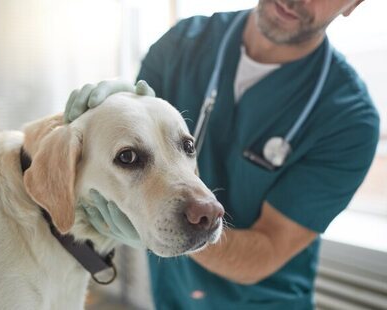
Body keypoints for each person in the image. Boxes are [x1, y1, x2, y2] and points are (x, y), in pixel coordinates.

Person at [65, 0, 380, 308]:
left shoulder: (349, 120)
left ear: (354, 5)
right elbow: (129, 139)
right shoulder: (180, 44)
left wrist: (174, 225)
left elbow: (266, 250)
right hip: (171, 297)